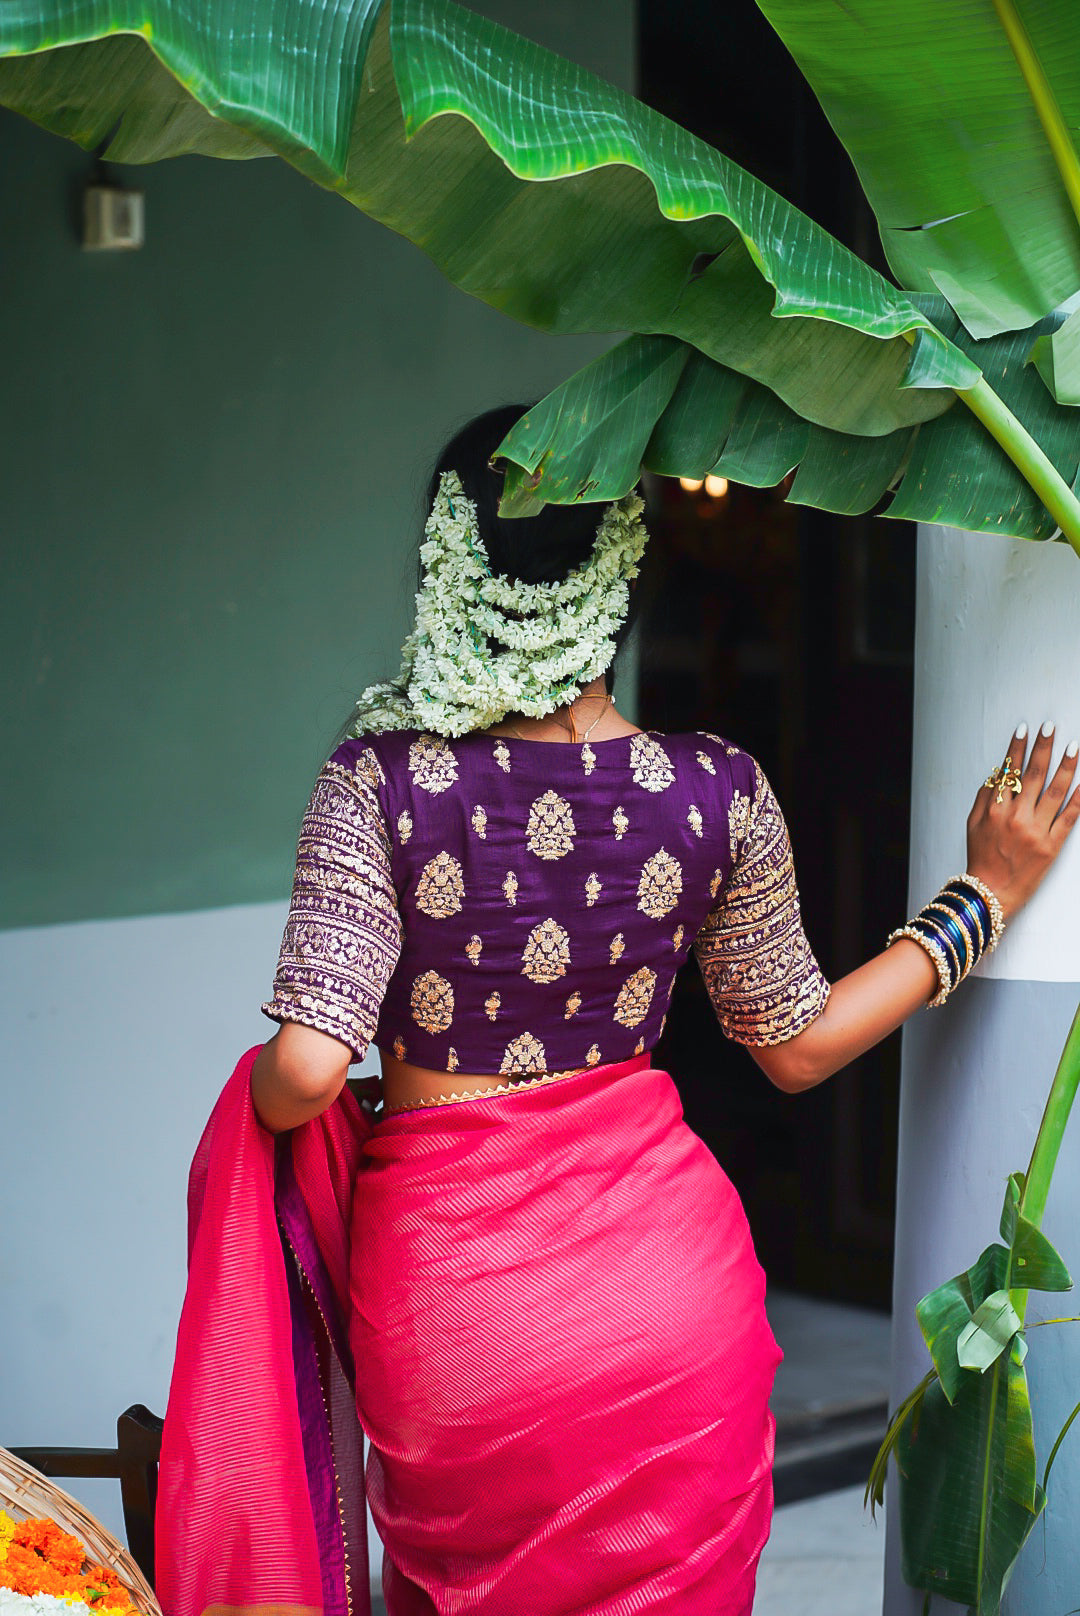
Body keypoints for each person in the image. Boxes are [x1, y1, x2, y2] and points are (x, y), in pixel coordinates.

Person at [158, 405, 1080, 1616]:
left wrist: (274, 1097)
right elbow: (798, 1046)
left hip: (460, 1318)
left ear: (453, 572)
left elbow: (309, 1069)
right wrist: (985, 893)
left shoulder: (376, 784)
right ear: (621, 578)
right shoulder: (713, 790)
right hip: (667, 1303)